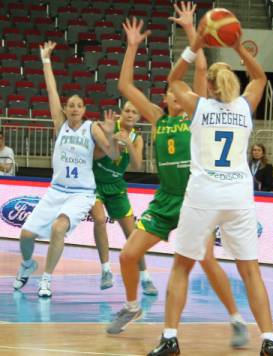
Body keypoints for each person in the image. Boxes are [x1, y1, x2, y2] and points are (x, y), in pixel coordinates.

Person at [107, 8, 249, 349]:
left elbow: (200, 67)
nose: (176, 91)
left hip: (195, 200)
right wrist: (131, 46)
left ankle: (236, 319)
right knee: (127, 255)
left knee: (208, 261)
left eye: (179, 89)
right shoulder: (157, 118)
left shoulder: (197, 113)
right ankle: (131, 306)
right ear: (166, 98)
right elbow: (124, 85)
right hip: (167, 198)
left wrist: (190, 30)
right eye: (172, 90)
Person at [147, 14, 273, 356]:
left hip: (204, 194)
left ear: (208, 86)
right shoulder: (245, 106)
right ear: (233, 85)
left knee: (181, 266)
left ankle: (169, 339)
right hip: (238, 195)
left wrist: (194, 45)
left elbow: (173, 79)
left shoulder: (197, 107)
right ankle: (269, 340)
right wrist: (238, 46)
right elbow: (260, 76)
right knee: (251, 271)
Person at [13, 41, 119, 298]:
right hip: (56, 190)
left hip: (80, 193)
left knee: (58, 228)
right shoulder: (60, 125)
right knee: (26, 235)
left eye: (78, 106)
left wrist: (112, 133)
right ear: (65, 109)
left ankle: (46, 279)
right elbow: (51, 92)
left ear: (84, 110)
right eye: (70, 105)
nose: (73, 108)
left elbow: (114, 155)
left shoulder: (91, 127)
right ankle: (28, 264)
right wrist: (46, 60)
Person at [91, 101, 158, 295]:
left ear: (138, 118)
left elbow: (137, 165)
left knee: (133, 234)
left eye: (134, 112)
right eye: (127, 111)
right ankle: (105, 271)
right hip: (95, 182)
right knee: (99, 219)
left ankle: (145, 277)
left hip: (117, 185)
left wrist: (127, 143)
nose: (130, 114)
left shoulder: (137, 138)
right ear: (121, 113)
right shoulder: (109, 126)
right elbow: (94, 155)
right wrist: (111, 141)